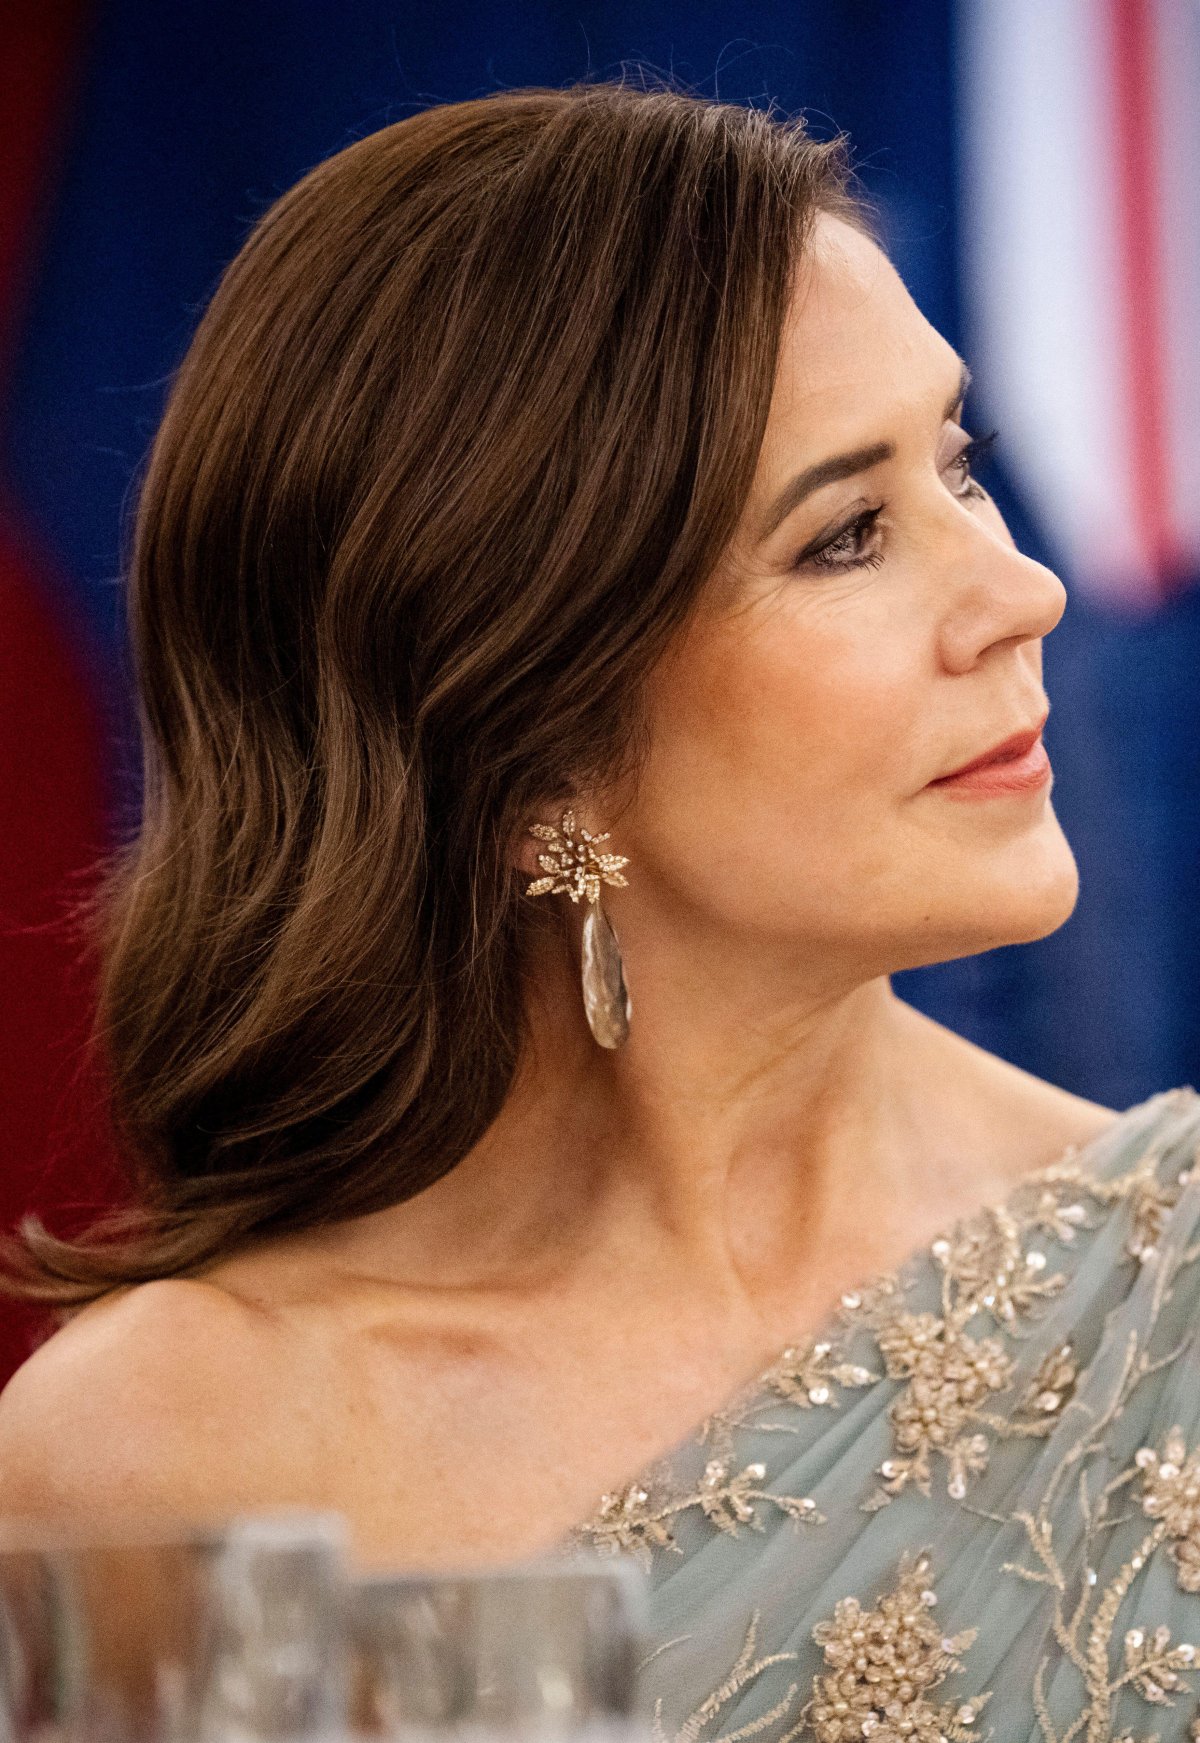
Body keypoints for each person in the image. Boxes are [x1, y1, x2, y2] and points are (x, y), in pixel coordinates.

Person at [2, 77, 1199, 1742]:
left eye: (961, 467)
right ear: (531, 746)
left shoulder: (1176, 1285)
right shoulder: (170, 1460)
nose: (1026, 590)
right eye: (849, 535)